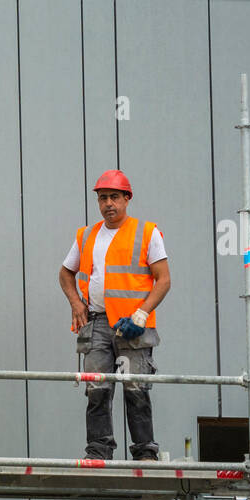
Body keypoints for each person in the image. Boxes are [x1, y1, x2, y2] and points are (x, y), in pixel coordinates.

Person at [58, 170, 171, 462]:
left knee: (136, 388)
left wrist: (142, 314)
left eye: (114, 197)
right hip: (96, 322)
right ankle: (98, 451)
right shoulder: (86, 235)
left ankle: (145, 453)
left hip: (132, 327)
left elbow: (164, 279)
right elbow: (65, 273)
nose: (108, 203)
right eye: (103, 197)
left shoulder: (147, 233)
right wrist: (76, 303)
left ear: (127, 199)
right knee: (96, 388)